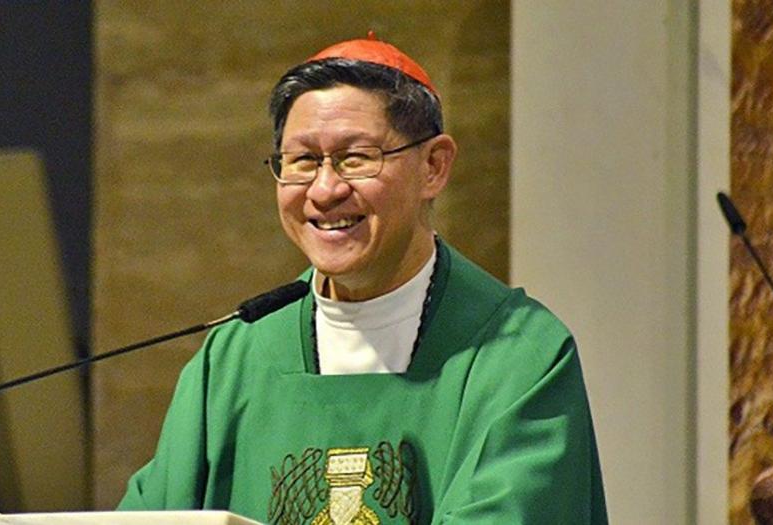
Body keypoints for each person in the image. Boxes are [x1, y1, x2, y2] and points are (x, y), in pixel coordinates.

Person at [118, 33, 607, 524]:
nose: (325, 189)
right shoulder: (233, 360)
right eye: (303, 161)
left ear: (433, 167)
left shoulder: (519, 353)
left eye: (356, 157)